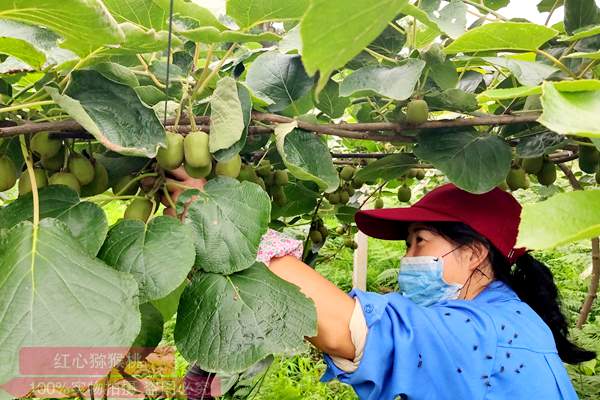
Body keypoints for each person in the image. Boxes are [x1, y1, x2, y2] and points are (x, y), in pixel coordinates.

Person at [163, 169, 595, 399]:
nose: (408, 259)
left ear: (476, 253)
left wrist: (220, 221)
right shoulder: (503, 316)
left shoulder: (486, 332)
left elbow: (344, 328)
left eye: (419, 243)